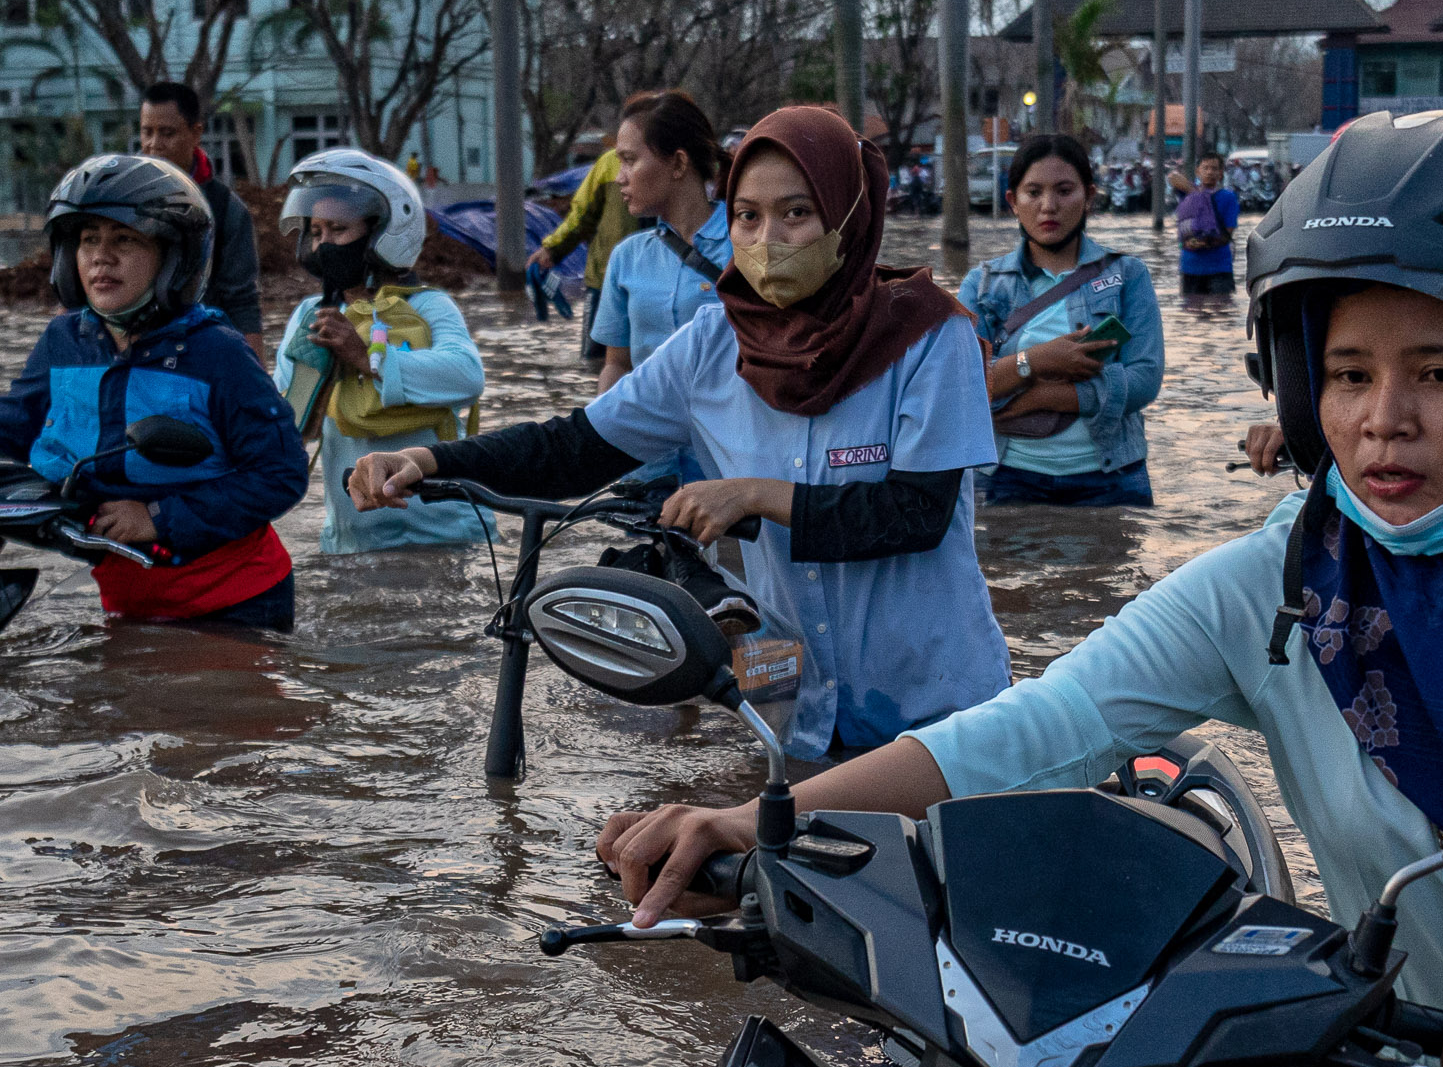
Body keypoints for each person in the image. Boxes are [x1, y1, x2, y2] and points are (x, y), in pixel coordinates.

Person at [596, 104, 1443, 1067]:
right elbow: (1042, 726)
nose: (1381, 422)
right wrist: (757, 822)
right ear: (1300, 388)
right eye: (1347, 376)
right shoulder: (1283, 578)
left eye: (1441, 375)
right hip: (1436, 1066)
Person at [344, 102, 1011, 762]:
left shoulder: (932, 334)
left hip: (941, 711)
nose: (766, 238)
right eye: (748, 215)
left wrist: (751, 494)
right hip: (801, 715)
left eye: (797, 213)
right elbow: (572, 447)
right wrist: (426, 459)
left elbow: (914, 513)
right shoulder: (712, 344)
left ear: (849, 215)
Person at [0, 155, 309, 629]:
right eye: (88, 240)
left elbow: (280, 473)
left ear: (173, 256)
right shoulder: (64, 341)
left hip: (235, 604)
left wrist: (159, 517)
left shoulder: (217, 352)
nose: (101, 257)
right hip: (129, 601)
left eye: (124, 239)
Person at [272, 148, 493, 552]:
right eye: (316, 232)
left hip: (448, 534)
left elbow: (467, 376)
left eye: (338, 230)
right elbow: (284, 425)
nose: (324, 245)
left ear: (383, 231)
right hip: (354, 542)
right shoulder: (310, 316)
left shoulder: (429, 305)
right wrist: (315, 378)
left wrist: (366, 357)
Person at [957, 131, 1164, 508]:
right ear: (1012, 202)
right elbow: (961, 384)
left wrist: (1048, 395)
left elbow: (1145, 378)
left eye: (1064, 191)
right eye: (1033, 192)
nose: (1048, 206)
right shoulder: (981, 285)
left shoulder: (1128, 275)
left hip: (1112, 478)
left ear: (1089, 197)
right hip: (1005, 477)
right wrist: (1038, 361)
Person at [588, 91, 732, 393]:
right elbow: (617, 364)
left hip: (732, 436)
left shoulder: (746, 245)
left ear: (679, 163)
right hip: (651, 438)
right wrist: (598, 435)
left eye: (629, 160)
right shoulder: (626, 257)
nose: (619, 178)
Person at [134, 79, 263, 340]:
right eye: (147, 132)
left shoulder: (226, 209)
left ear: (196, 133)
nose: (154, 144)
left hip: (201, 346)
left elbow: (242, 301)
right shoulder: (119, 200)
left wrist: (256, 371)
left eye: (167, 133)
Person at [532, 135, 635, 327]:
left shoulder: (684, 162)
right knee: (596, 354)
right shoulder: (608, 163)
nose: (623, 178)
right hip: (605, 281)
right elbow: (582, 216)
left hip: (633, 281)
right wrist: (554, 249)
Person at [1174, 151, 1241, 296]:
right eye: (1206, 168)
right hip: (1190, 266)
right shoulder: (1188, 195)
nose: (1210, 172)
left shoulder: (1228, 197)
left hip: (1219, 267)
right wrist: (1198, 194)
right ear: (1198, 171)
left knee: (1221, 310)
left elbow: (1228, 231)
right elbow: (1172, 177)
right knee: (1191, 311)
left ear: (1221, 173)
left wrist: (1203, 242)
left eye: (1214, 168)